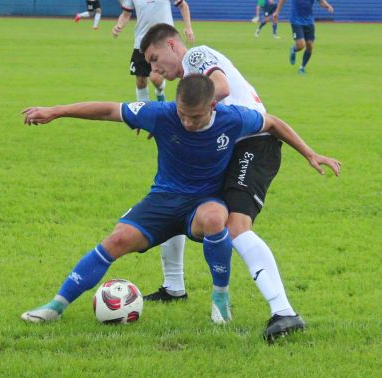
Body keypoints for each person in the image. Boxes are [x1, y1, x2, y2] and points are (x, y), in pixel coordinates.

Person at [20, 75, 335, 328]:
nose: (187, 123)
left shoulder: (233, 118)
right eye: (182, 114)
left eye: (195, 117)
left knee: (215, 219)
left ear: (213, 105)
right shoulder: (161, 114)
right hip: (163, 198)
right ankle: (56, 306)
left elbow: (273, 123)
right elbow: (107, 110)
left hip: (204, 202)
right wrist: (56, 111)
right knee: (116, 239)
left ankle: (220, 299)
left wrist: (310, 154)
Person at [139, 23, 342, 341]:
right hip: (230, 147)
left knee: (236, 226)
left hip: (254, 144)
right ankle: (175, 286)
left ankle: (284, 312)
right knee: (175, 201)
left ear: (171, 45)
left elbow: (219, 87)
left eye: (154, 58)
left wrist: (178, 117)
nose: (154, 68)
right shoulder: (192, 81)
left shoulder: (197, 55)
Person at [112, 0, 194, 103]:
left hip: (164, 42)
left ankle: (160, 93)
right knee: (141, 80)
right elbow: (125, 14)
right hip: (141, 42)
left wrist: (188, 27)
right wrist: (119, 25)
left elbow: (183, 5)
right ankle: (142, 110)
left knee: (156, 78)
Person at [273, 0, 334, 75]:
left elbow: (321, 1)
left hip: (309, 21)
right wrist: (277, 11)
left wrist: (328, 6)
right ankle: (294, 49)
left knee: (310, 46)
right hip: (296, 20)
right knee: (301, 45)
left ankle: (302, 68)